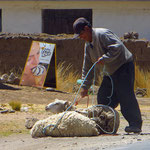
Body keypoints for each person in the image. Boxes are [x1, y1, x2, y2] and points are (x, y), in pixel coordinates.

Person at [73, 17, 142, 133]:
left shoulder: (102, 34)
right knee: (103, 97)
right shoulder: (88, 45)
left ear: (86, 29)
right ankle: (105, 124)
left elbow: (117, 47)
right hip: (110, 72)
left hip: (123, 66)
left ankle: (135, 124)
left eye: (81, 34)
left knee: (125, 95)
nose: (81, 37)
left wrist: (105, 58)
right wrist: (85, 86)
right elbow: (87, 66)